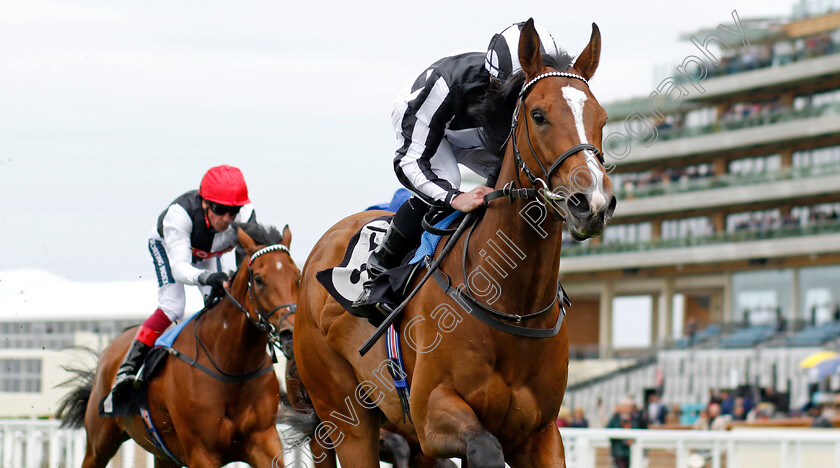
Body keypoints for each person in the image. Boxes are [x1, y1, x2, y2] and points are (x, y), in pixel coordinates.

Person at [352, 21, 562, 318]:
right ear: (495, 82)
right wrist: (454, 198)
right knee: (447, 182)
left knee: (510, 184)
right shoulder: (448, 84)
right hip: (430, 124)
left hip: (480, 130)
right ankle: (379, 273)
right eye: (512, 95)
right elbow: (409, 161)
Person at [108, 165, 256, 396]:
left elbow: (247, 262)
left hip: (209, 253)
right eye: (220, 210)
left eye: (232, 212)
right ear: (205, 203)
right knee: (173, 306)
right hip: (171, 249)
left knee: (220, 302)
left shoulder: (246, 215)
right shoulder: (179, 215)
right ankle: (127, 368)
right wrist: (208, 276)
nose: (227, 219)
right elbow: (180, 269)